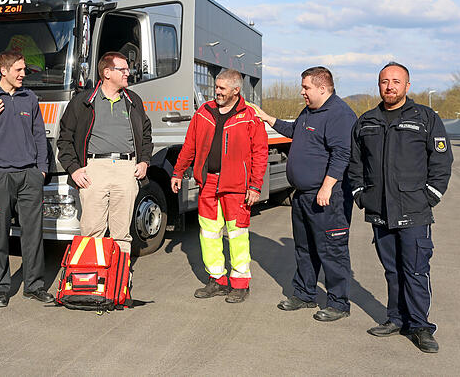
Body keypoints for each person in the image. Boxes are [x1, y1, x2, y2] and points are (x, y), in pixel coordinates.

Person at [348, 62, 452, 353]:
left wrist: (431, 195)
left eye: (396, 81)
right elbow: (354, 162)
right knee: (392, 271)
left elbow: (441, 161)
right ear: (378, 85)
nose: (389, 86)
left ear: (408, 85)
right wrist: (360, 194)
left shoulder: (425, 118)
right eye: (384, 81)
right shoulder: (367, 121)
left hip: (414, 211)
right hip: (380, 212)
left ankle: (420, 326)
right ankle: (396, 319)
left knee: (415, 270)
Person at [254, 67, 357, 320]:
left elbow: (342, 154)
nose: (302, 92)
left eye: (306, 88)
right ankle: (304, 294)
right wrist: (269, 119)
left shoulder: (339, 114)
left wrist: (327, 186)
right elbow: (294, 131)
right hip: (303, 196)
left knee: (332, 250)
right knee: (305, 248)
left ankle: (338, 303)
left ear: (323, 88)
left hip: (327, 197)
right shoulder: (309, 112)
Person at [172, 69, 268, 303]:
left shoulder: (249, 116)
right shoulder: (203, 112)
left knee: (237, 235)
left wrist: (255, 186)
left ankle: (240, 283)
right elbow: (190, 145)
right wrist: (178, 171)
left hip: (237, 186)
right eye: (216, 87)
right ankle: (217, 279)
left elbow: (260, 152)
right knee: (209, 233)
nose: (216, 92)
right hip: (209, 183)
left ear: (236, 90)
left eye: (222, 88)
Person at [0, 50, 53, 308]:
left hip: (29, 176)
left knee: (33, 234)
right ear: (3, 70)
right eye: (19, 70)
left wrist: (41, 170)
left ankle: (34, 286)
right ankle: (0, 288)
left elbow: (40, 136)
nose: (23, 74)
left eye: (24, 69)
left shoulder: (30, 98)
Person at [57, 51, 152, 254]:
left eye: (128, 68)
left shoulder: (133, 100)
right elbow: (64, 139)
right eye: (123, 69)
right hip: (93, 171)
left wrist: (144, 161)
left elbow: (146, 135)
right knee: (92, 232)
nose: (128, 72)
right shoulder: (83, 101)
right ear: (107, 73)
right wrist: (74, 169)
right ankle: (94, 281)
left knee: (122, 234)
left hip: (127, 170)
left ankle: (120, 280)